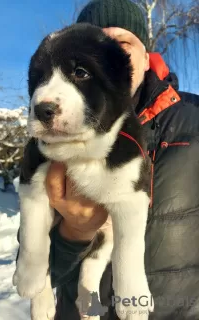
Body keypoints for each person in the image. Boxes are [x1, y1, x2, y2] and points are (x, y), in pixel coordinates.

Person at [17, 0, 199, 319]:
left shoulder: (193, 120)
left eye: (122, 42)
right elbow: (35, 258)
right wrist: (75, 231)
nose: (106, 52)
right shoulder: (55, 137)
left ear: (145, 57)